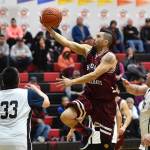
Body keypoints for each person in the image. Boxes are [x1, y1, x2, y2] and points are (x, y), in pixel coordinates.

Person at [41, 19, 118, 150]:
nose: (95, 37)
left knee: (105, 144)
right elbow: (68, 43)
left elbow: (94, 75)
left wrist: (72, 81)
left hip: (105, 102)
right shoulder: (88, 50)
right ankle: (86, 132)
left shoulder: (109, 57)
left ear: (105, 42)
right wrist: (51, 31)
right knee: (66, 116)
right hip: (89, 95)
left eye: (98, 36)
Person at [0, 67, 50, 150]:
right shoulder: (27, 93)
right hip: (19, 141)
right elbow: (47, 103)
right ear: (18, 80)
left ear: (3, 81)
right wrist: (36, 89)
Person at [122, 74, 150, 149]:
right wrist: (128, 85)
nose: (146, 74)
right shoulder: (147, 89)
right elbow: (136, 90)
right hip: (145, 138)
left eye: (149, 73)